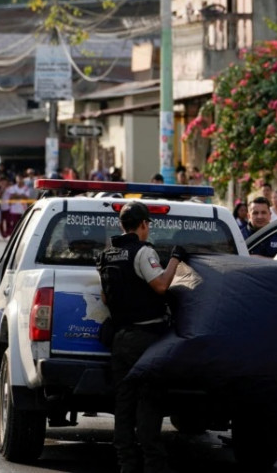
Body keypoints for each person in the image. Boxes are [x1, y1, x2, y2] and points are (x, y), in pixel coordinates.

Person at [97, 201, 185, 473]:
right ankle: (154, 466)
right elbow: (160, 285)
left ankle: (127, 465)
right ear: (144, 224)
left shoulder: (107, 253)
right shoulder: (143, 252)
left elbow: (104, 296)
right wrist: (175, 259)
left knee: (123, 405)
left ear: (120, 225)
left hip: (120, 340)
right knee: (149, 402)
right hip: (146, 339)